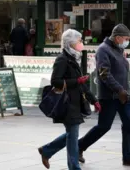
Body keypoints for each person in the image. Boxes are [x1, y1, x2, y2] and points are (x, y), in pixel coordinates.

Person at [78, 24, 130, 167]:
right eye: (126, 39)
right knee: (103, 126)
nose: (127, 41)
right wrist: (119, 90)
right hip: (109, 96)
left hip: (124, 95)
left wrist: (124, 91)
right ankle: (80, 146)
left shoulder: (119, 49)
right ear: (118, 37)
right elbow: (104, 74)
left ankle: (128, 156)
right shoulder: (103, 50)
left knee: (128, 125)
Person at [38, 29, 101, 170]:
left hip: (75, 102)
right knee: (73, 136)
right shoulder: (62, 59)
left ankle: (47, 151)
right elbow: (56, 81)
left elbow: (82, 84)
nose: (81, 43)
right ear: (70, 43)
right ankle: (74, 167)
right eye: (79, 41)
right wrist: (76, 81)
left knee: (71, 134)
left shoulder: (74, 58)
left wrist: (93, 100)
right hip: (67, 103)